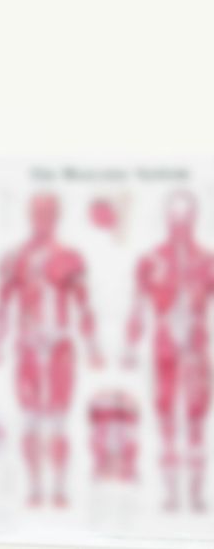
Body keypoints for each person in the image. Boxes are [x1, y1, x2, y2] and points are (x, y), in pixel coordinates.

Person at [0, 193, 102, 508]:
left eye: (49, 212)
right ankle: (36, 489)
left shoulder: (70, 258)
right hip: (26, 347)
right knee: (30, 421)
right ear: (28, 214)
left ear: (58, 215)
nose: (43, 218)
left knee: (58, 422)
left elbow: (84, 303)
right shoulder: (14, 258)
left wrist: (93, 348)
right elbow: (2, 305)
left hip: (60, 347)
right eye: (38, 212)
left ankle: (60, 489)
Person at [123, 189, 212, 512]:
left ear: (194, 218)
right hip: (164, 346)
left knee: (197, 421)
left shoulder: (208, 261)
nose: (180, 225)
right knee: (166, 420)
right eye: (175, 217)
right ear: (166, 218)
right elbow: (137, 306)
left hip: (198, 347)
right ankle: (171, 495)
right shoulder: (151, 261)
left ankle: (197, 495)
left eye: (186, 217)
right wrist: (130, 346)